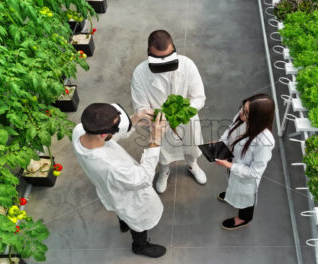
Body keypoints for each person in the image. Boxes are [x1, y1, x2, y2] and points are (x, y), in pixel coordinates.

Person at [72, 102, 167, 258]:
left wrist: (134, 119)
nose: (120, 128)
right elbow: (143, 178)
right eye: (116, 127)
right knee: (136, 218)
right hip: (128, 197)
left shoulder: (80, 131)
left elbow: (109, 133)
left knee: (120, 210)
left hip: (109, 189)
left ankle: (123, 222)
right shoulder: (110, 165)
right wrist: (155, 139)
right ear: (103, 134)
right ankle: (140, 246)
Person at [131, 29, 207, 193]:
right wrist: (160, 117)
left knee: (191, 147)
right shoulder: (140, 73)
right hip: (159, 124)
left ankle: (192, 165)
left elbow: (199, 98)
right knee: (163, 152)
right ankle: (165, 170)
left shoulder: (187, 65)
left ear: (174, 50)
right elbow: (141, 107)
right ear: (149, 54)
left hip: (187, 120)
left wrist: (179, 114)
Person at [214, 94, 276, 230]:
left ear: (258, 118)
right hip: (233, 162)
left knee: (246, 197)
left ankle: (244, 218)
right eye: (242, 108)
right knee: (232, 181)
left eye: (246, 112)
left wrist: (229, 165)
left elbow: (254, 172)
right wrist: (220, 144)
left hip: (247, 177)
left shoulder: (265, 142)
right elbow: (230, 130)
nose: (241, 113)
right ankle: (231, 194)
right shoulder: (242, 116)